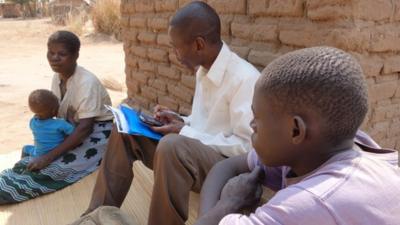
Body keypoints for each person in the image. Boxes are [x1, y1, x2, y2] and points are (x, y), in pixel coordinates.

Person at [84, 2, 260, 225]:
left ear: (198, 45)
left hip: (226, 171)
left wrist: (184, 132)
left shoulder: (244, 79)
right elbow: (204, 125)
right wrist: (180, 120)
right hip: (198, 154)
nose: (175, 55)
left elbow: (247, 148)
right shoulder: (204, 71)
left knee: (172, 146)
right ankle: (94, 216)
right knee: (124, 131)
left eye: (177, 47)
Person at [195, 47, 400, 225]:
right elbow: (225, 167)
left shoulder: (314, 202)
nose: (251, 124)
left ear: (295, 130)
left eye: (257, 117)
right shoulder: (331, 148)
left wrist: (227, 205)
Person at [0, 30, 113, 204]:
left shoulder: (86, 82)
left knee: (59, 167)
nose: (54, 58)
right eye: (51, 53)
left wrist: (48, 156)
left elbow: (85, 129)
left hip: (98, 132)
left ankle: (9, 191)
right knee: (34, 162)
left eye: (62, 54)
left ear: (76, 55)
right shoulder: (57, 77)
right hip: (73, 128)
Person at [22, 89, 74, 158]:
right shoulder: (60, 123)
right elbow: (74, 132)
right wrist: (71, 119)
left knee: (25, 148)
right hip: (57, 153)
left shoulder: (33, 122)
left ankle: (23, 162)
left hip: (38, 154)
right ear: (53, 111)